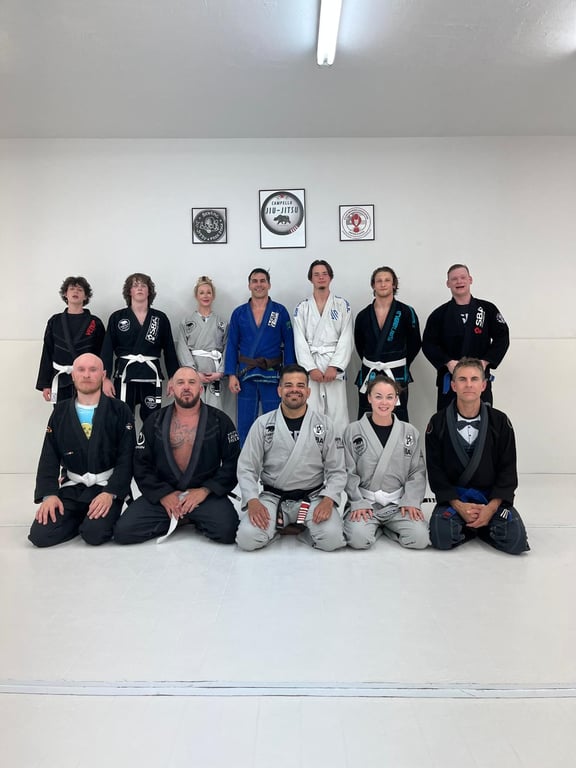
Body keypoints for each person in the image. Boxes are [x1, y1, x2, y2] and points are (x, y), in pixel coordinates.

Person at [114, 366, 241, 545]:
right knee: (124, 532)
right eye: (180, 383)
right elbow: (141, 464)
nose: (186, 387)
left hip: (203, 496)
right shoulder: (154, 421)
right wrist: (163, 494)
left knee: (228, 531)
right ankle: (182, 515)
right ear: (172, 388)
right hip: (165, 494)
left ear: (201, 389)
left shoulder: (220, 420)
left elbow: (232, 462)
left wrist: (205, 490)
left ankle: (187, 516)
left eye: (192, 382)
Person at [236, 364, 346, 552]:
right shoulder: (263, 424)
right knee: (247, 538)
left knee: (332, 539)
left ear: (308, 391)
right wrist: (253, 501)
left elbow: (337, 470)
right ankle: (276, 529)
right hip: (273, 498)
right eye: (288, 385)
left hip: (313, 498)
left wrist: (328, 499)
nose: (294, 390)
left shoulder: (324, 424)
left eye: (300, 385)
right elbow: (246, 468)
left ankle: (304, 532)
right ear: (279, 390)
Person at [29, 353, 135, 547]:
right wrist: (49, 495)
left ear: (103, 375)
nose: (87, 375)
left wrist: (111, 493)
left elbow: (126, 458)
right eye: (81, 370)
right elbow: (49, 457)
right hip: (73, 488)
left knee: (94, 534)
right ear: (73, 375)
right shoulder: (60, 411)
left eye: (93, 370)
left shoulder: (120, 410)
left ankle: (90, 521)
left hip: (105, 487)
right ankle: (80, 518)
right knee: (40, 535)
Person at [425, 357, 528, 555]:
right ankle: (477, 527)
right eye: (462, 379)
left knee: (516, 541)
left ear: (483, 385)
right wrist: (458, 506)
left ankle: (478, 526)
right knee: (441, 537)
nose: (468, 384)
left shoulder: (500, 421)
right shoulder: (437, 422)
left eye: (474, 379)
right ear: (453, 386)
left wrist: (491, 508)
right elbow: (435, 471)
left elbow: (507, 469)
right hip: (456, 499)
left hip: (491, 499)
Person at [343, 375, 429, 550]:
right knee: (358, 540)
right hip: (366, 503)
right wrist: (357, 502)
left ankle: (387, 530)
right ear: (369, 398)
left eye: (390, 397)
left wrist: (411, 501)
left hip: (398, 504)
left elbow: (417, 472)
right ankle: (375, 529)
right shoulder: (352, 431)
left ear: (396, 399)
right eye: (378, 396)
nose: (384, 402)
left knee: (420, 539)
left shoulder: (409, 432)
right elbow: (347, 471)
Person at [422, 264, 510, 411]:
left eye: (463, 277)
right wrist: (448, 362)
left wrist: (485, 361)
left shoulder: (487, 309)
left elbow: (502, 337)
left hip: (479, 379)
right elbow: (428, 344)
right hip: (451, 379)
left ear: (470, 280)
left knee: (483, 419)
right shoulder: (439, 314)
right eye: (454, 279)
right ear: (448, 283)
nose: (459, 281)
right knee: (447, 420)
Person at [224, 268, 295, 444]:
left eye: (262, 281)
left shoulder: (279, 311)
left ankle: (277, 458)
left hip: (273, 374)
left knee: (275, 422)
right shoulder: (239, 313)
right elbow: (231, 344)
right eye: (254, 281)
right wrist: (231, 374)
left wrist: (288, 376)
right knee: (245, 423)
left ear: (269, 285)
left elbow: (289, 343)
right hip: (245, 375)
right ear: (249, 285)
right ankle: (245, 459)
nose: (259, 285)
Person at [102, 273, 179, 421]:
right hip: (124, 376)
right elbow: (107, 349)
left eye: (143, 285)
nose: (140, 288)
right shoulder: (117, 317)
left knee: (153, 420)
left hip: (150, 376)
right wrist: (105, 379)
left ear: (149, 291)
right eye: (135, 285)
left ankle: (150, 438)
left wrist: (173, 377)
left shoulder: (160, 318)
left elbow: (169, 350)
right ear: (129, 291)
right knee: (122, 419)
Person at [293, 259, 353, 434]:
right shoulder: (302, 307)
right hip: (312, 364)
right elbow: (299, 340)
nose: (321, 277)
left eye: (324, 274)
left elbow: (346, 338)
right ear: (310, 278)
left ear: (330, 277)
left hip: (334, 364)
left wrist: (335, 366)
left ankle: (339, 449)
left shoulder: (342, 305)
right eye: (316, 274)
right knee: (311, 409)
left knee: (338, 411)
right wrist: (310, 368)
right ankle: (312, 447)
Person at [354, 266, 421, 422]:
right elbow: (359, 345)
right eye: (379, 281)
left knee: (398, 416)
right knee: (367, 415)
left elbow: (415, 343)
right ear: (373, 285)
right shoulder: (363, 315)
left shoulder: (406, 312)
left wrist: (400, 362)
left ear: (394, 284)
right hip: (370, 372)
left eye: (387, 280)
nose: (383, 284)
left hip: (396, 373)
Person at [36, 276, 105, 403]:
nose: (75, 292)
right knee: (62, 413)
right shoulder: (55, 321)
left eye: (80, 290)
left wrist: (102, 380)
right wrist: (45, 384)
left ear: (85, 296)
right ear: (65, 294)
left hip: (87, 378)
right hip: (61, 379)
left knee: (87, 412)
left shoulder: (95, 322)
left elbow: (101, 355)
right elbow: (47, 352)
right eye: (72, 289)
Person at [176, 275, 228, 408]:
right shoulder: (186, 322)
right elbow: (182, 348)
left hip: (214, 373)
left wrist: (220, 372)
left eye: (209, 292)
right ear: (196, 296)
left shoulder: (222, 323)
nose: (205, 296)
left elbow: (228, 348)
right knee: (193, 409)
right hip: (193, 373)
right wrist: (192, 373)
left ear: (213, 296)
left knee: (214, 412)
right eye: (202, 293)